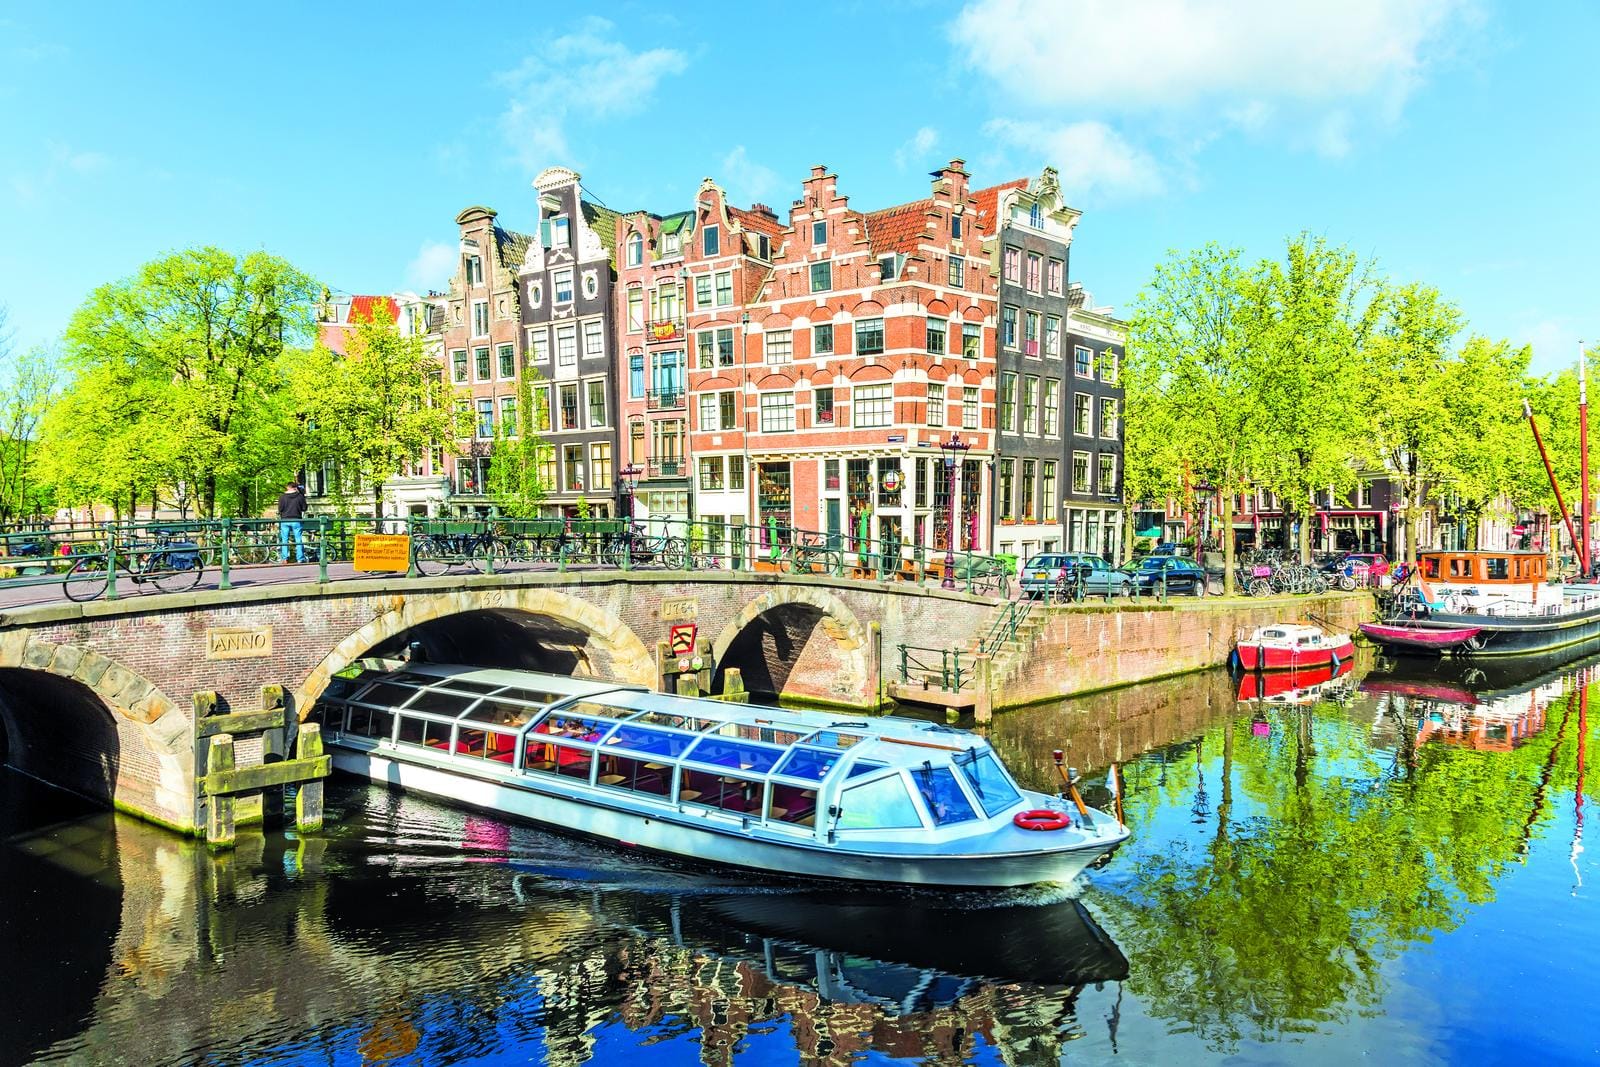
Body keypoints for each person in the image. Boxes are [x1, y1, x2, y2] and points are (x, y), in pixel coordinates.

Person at [277, 480, 307, 563]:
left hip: (285, 520)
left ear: (287, 487)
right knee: (298, 539)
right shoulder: (300, 496)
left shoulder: (282, 497)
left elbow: (280, 509)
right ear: (295, 488)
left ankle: (285, 558)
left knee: (284, 539)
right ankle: (300, 559)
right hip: (296, 519)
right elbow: (304, 508)